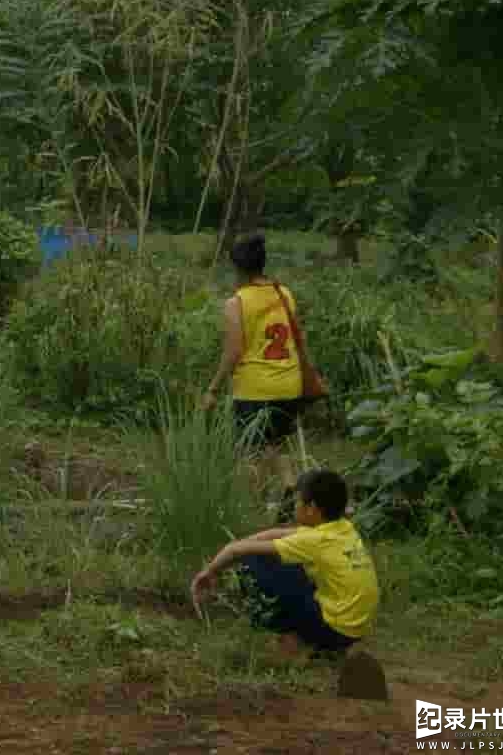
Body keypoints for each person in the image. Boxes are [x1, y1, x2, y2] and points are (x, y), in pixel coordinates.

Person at [190, 468, 386, 699]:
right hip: (356, 627)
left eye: (298, 502)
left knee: (255, 560)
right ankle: (336, 647)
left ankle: (293, 642)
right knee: (285, 560)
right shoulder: (343, 529)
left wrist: (209, 572)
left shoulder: (313, 541)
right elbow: (277, 533)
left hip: (335, 629)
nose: (294, 507)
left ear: (312, 508)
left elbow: (236, 551)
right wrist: (241, 544)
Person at [201, 233, 319, 507]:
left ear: (238, 268)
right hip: (289, 383)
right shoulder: (284, 293)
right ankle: (290, 489)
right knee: (275, 442)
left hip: (255, 389)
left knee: (250, 451)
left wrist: (212, 388)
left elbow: (233, 353)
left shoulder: (236, 303)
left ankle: (252, 505)